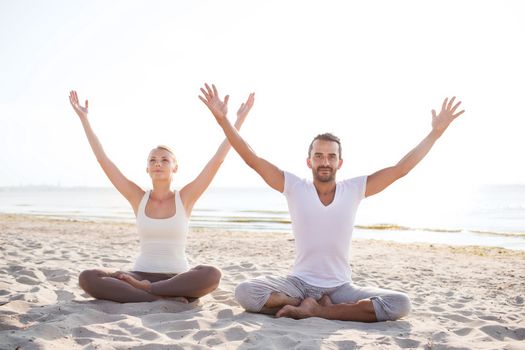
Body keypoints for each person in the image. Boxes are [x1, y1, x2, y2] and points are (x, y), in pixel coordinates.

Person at [200, 83, 465, 322]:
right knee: (245, 292)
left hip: (340, 288)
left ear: (340, 162)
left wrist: (435, 133)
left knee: (400, 303)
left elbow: (400, 169)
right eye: (318, 156)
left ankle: (316, 310)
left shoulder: (354, 189)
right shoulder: (294, 187)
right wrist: (224, 120)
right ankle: (302, 304)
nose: (324, 162)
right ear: (309, 161)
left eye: (330, 156)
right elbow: (252, 159)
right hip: (299, 283)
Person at [69, 88, 253, 303]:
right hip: (139, 275)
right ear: (147, 169)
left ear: (175, 168)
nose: (158, 163)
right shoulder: (137, 197)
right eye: (152, 160)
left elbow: (217, 160)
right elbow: (103, 160)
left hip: (177, 277)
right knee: (88, 277)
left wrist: (236, 122)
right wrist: (84, 120)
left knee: (212, 274)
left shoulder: (185, 198)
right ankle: (157, 296)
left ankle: (150, 291)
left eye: (165, 160)